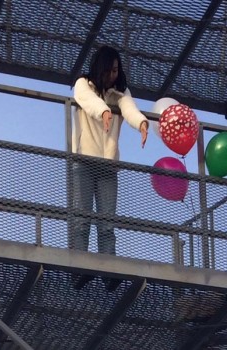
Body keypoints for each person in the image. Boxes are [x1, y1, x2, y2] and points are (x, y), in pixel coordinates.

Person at [70, 45, 149, 290]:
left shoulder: (119, 92)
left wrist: (142, 124)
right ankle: (78, 269)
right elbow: (87, 100)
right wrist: (104, 111)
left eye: (117, 70)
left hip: (107, 164)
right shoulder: (83, 84)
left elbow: (130, 108)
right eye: (110, 69)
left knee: (107, 222)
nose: (114, 74)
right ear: (101, 68)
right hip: (83, 160)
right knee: (82, 218)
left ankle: (109, 271)